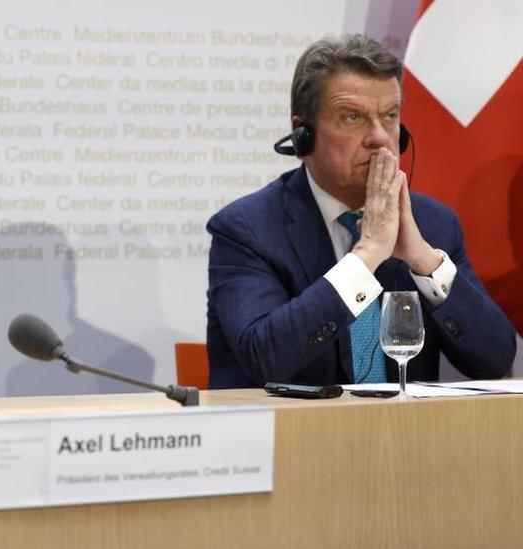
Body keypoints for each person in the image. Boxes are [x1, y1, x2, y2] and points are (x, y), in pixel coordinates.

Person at [206, 34, 516, 388]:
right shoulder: (247, 229)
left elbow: (496, 360)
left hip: (405, 439)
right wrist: (366, 256)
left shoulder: (434, 225)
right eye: (352, 117)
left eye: (389, 117)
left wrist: (423, 259)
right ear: (302, 135)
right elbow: (265, 358)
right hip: (289, 438)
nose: (379, 137)